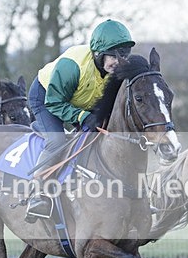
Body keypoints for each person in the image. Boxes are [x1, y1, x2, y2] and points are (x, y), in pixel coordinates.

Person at [25, 19, 135, 220]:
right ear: (98, 53)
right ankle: (37, 192)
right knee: (57, 140)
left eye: (124, 55)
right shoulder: (72, 66)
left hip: (81, 99)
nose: (119, 62)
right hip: (47, 97)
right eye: (114, 56)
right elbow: (55, 102)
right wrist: (82, 117)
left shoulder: (116, 72)